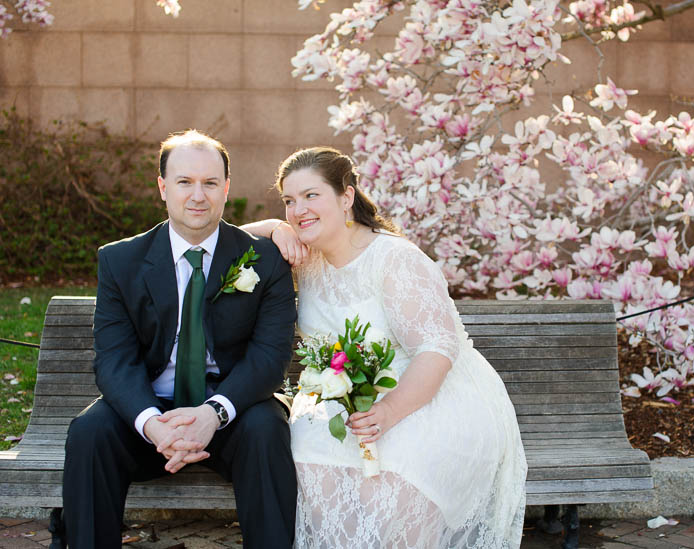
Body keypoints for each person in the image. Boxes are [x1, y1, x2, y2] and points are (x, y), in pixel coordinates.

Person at [244, 147, 527, 548]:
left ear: (346, 197)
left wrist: (389, 411)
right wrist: (275, 228)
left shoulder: (393, 259)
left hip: (428, 395)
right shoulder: (306, 257)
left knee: (398, 466)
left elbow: (436, 348)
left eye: (311, 195)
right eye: (289, 201)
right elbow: (232, 237)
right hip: (344, 396)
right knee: (309, 457)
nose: (298, 209)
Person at [62, 130, 298, 548]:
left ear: (226, 188)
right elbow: (115, 360)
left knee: (267, 430)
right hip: (151, 413)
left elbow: (269, 357)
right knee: (89, 433)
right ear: (162, 187)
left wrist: (213, 413)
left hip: (231, 410)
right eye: (184, 182)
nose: (198, 195)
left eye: (210, 183)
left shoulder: (265, 261)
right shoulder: (120, 261)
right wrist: (153, 425)